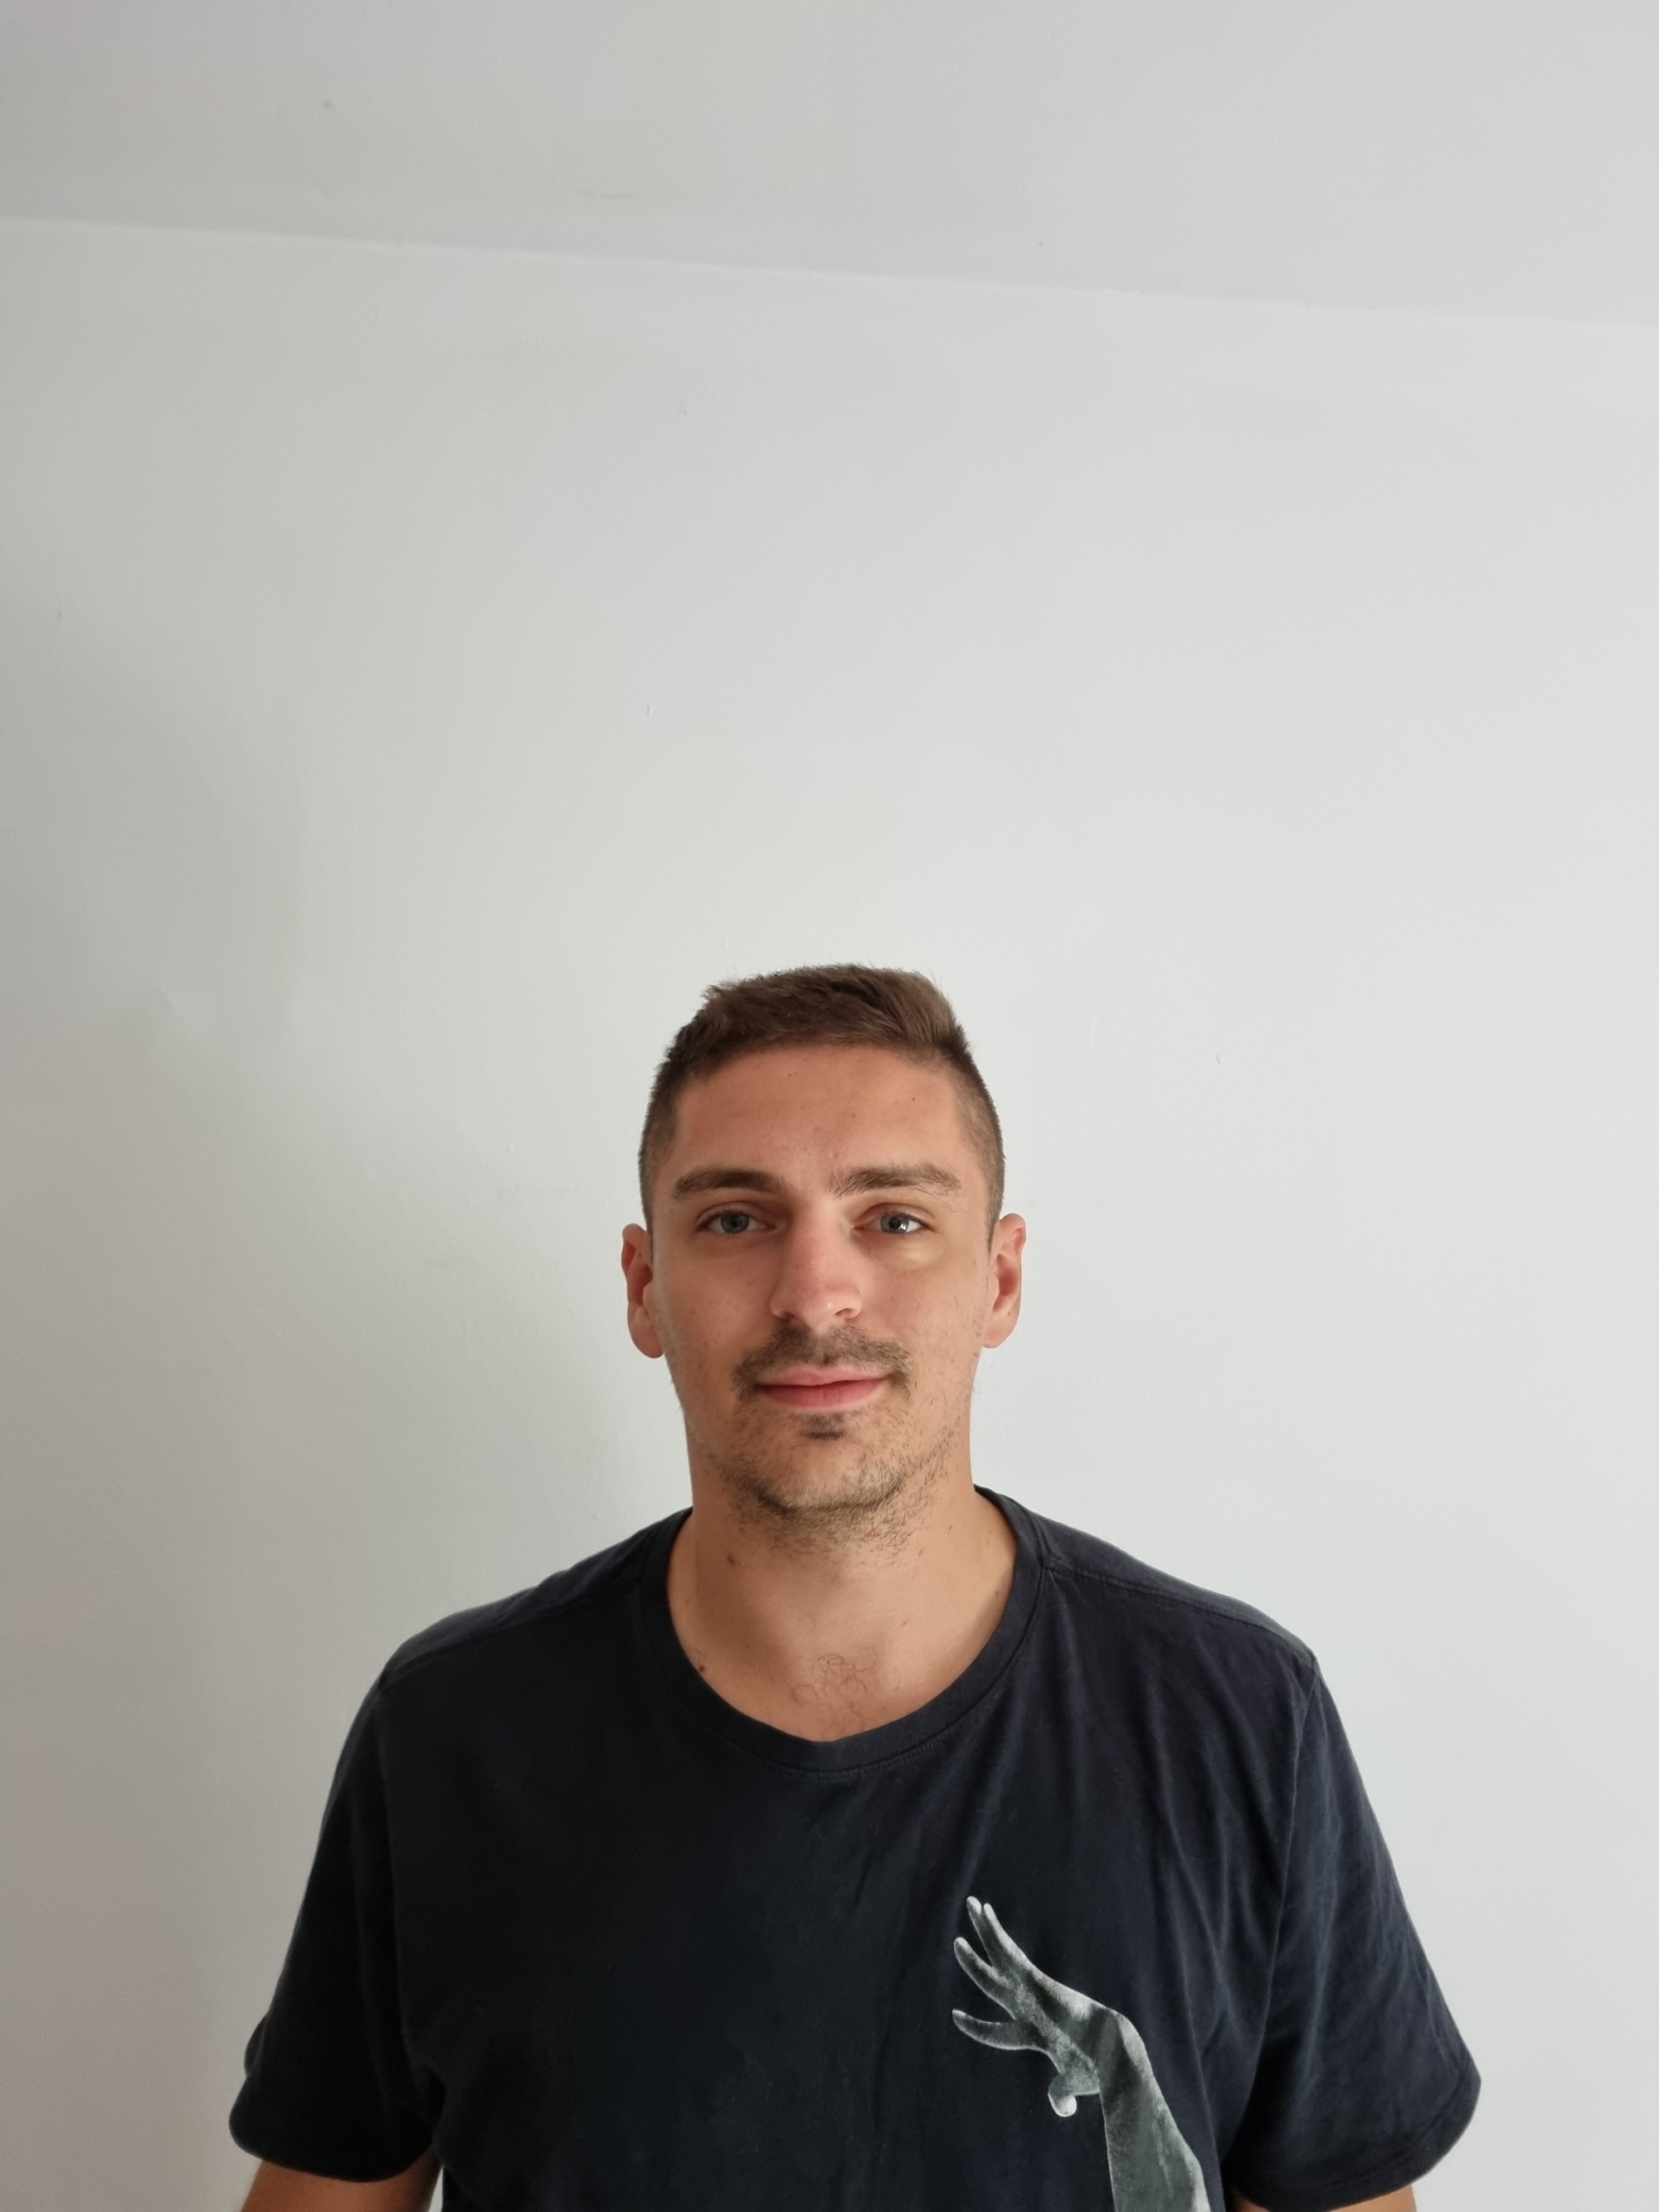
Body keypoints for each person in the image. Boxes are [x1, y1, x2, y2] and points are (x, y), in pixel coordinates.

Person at [231, 965, 1478, 2212]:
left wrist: (1123, 2087)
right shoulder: (453, 1733)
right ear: (644, 1286)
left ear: (999, 1280)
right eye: (736, 1219)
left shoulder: (1237, 1720)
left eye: (895, 1218)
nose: (815, 1292)